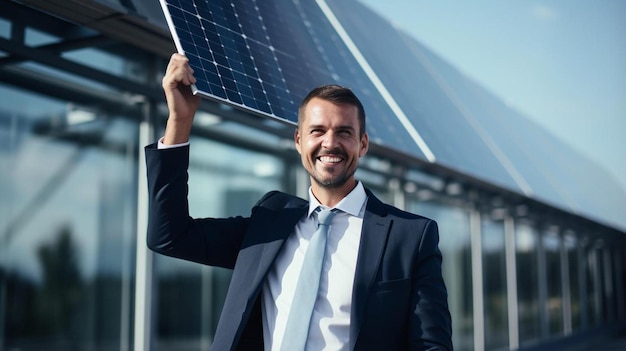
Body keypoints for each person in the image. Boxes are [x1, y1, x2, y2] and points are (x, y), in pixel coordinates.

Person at [145, 53, 453, 351]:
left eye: (344, 132)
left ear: (363, 144)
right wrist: (180, 120)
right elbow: (170, 237)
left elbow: (431, 345)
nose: (329, 143)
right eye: (317, 131)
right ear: (298, 141)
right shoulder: (269, 222)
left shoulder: (410, 237)